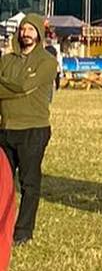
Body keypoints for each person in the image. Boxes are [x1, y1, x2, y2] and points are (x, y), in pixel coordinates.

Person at [0, 13, 60, 246]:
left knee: (29, 182)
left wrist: (10, 86)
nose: (26, 33)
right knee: (4, 183)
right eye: (23, 29)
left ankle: (23, 232)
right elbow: (19, 88)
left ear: (39, 33)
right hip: (6, 128)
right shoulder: (6, 60)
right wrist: (15, 89)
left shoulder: (47, 62)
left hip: (33, 129)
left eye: (31, 29)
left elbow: (26, 86)